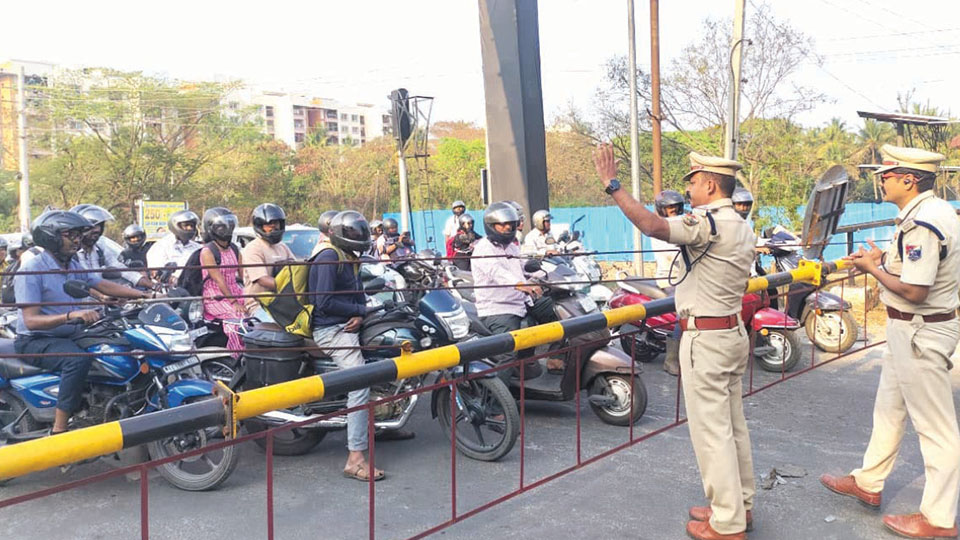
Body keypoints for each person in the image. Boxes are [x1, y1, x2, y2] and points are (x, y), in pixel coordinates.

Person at [594, 144, 755, 540]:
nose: (691, 190)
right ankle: (738, 505)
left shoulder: (708, 223)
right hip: (732, 332)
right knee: (733, 426)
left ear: (712, 184)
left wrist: (613, 186)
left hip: (708, 338)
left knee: (711, 430)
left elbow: (652, 226)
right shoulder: (740, 223)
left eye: (695, 182)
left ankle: (727, 522)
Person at [820, 145, 960, 540]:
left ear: (908, 179)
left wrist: (873, 269)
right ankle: (869, 481)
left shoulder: (924, 223)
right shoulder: (930, 211)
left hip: (920, 328)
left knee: (937, 430)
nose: (881, 180)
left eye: (887, 175)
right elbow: (917, 268)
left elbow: (916, 290)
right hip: (907, 330)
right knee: (888, 410)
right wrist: (885, 261)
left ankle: (939, 518)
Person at [15, 210, 160, 434]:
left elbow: (100, 283)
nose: (76, 239)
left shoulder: (71, 264)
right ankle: (59, 430)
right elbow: (31, 321)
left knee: (119, 343)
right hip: (36, 339)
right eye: (69, 234)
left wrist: (143, 295)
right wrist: (70, 316)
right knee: (77, 360)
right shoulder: (32, 269)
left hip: (69, 333)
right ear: (51, 237)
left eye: (78, 234)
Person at [309, 211, 387, 482]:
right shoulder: (328, 257)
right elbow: (323, 302)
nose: (359, 238)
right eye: (354, 234)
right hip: (331, 329)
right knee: (359, 381)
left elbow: (356, 293)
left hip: (347, 321)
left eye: (361, 234)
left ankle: (383, 424)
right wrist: (359, 310)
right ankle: (355, 459)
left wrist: (366, 310)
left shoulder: (347, 256)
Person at [472, 201, 563, 375]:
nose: (507, 228)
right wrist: (522, 285)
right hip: (499, 308)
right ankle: (499, 400)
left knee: (558, 312)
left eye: (510, 224)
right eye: (502, 224)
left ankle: (552, 359)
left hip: (522, 301)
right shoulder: (484, 248)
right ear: (491, 226)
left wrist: (547, 275)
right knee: (507, 354)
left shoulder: (513, 246)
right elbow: (497, 272)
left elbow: (522, 267)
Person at [198, 207, 247, 353]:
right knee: (237, 320)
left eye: (229, 225)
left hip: (237, 291)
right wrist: (234, 303)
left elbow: (243, 274)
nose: (226, 229)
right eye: (221, 226)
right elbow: (219, 280)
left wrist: (251, 296)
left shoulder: (235, 248)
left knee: (258, 313)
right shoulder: (208, 251)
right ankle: (236, 356)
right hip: (216, 296)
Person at [73, 205, 156, 290]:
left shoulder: (100, 249)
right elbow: (88, 280)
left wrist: (152, 285)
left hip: (105, 297)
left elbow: (119, 268)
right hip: (83, 299)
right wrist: (104, 296)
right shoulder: (72, 254)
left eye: (99, 227)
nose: (97, 230)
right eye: (92, 228)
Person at [651, 189, 685, 377]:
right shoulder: (661, 228)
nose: (673, 210)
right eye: (670, 208)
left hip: (684, 278)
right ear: (662, 209)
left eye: (676, 207)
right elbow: (675, 251)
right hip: (669, 279)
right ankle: (671, 360)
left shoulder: (681, 223)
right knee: (685, 312)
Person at [242, 203, 295, 322]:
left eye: (276, 223)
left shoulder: (283, 247)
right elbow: (262, 279)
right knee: (281, 327)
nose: (273, 227)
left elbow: (296, 269)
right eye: (268, 224)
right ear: (260, 226)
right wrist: (289, 287)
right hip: (260, 306)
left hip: (284, 304)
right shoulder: (253, 248)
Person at [146, 210, 201, 282]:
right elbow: (156, 274)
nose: (189, 228)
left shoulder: (198, 247)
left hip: (195, 288)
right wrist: (175, 281)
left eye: (192, 226)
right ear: (175, 225)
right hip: (167, 290)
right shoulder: (160, 247)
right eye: (186, 225)